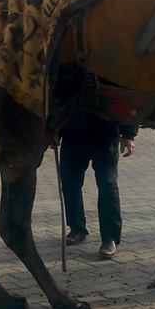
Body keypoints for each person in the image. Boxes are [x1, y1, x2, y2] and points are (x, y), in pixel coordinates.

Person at [59, 110, 136, 259]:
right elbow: (57, 100)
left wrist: (128, 134)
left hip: (105, 132)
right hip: (72, 133)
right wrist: (54, 130)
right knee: (69, 182)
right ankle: (77, 228)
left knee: (108, 185)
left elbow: (129, 98)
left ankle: (110, 238)